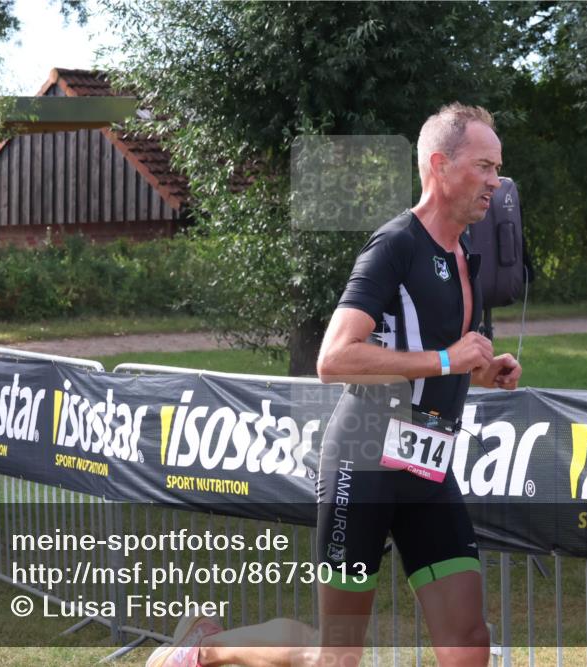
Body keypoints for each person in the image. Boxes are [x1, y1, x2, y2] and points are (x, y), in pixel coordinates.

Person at [147, 103, 522, 667]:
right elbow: (334, 358)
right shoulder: (395, 245)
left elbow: (429, 358)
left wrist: (481, 370)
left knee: (469, 642)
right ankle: (205, 651)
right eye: (485, 166)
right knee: (335, 655)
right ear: (440, 166)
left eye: (499, 168)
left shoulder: (468, 256)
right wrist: (448, 358)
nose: (498, 182)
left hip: (428, 468)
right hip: (363, 465)